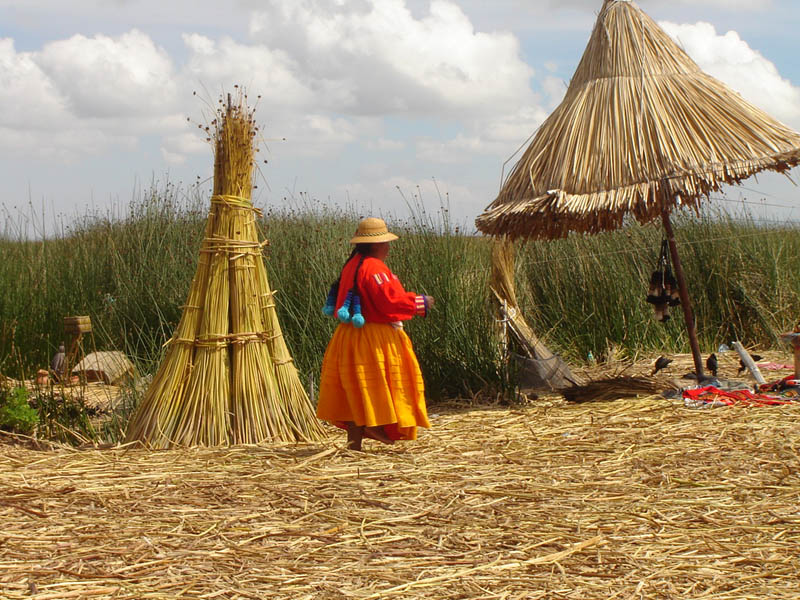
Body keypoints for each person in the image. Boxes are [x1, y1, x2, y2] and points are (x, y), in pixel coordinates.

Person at [316, 217, 433, 450]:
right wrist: (420, 302)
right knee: (375, 385)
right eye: (385, 243)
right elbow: (389, 302)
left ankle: (354, 444)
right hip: (372, 337)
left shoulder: (352, 265)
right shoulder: (374, 267)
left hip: (348, 335)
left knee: (356, 388)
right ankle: (374, 427)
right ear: (375, 245)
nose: (388, 248)